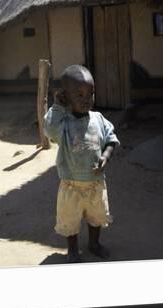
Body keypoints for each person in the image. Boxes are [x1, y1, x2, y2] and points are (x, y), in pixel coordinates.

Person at [44, 64, 120, 263]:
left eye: (90, 93)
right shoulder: (64, 123)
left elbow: (111, 140)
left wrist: (105, 157)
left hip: (96, 184)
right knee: (71, 220)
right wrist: (57, 107)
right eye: (79, 94)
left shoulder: (99, 119)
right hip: (71, 185)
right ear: (66, 97)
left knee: (97, 217)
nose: (87, 99)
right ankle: (72, 250)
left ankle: (94, 244)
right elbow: (49, 130)